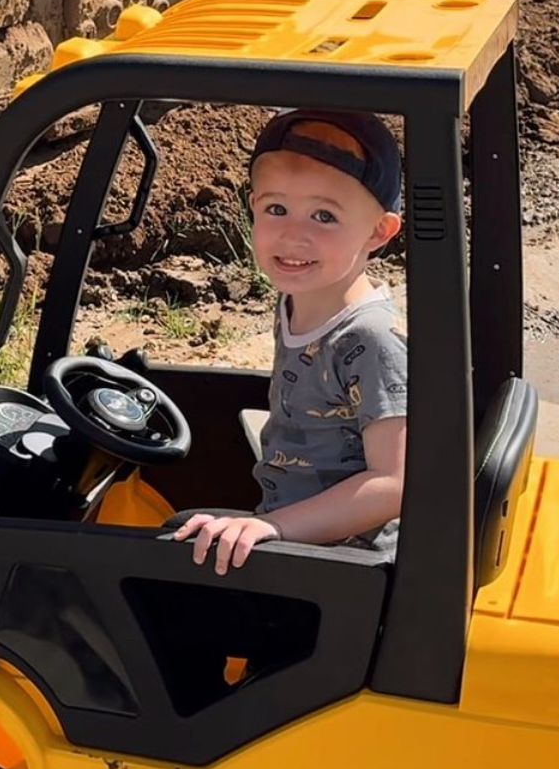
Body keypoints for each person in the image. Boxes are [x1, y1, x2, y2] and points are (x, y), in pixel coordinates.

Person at [173, 110, 407, 575]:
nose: (293, 235)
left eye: (324, 216)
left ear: (379, 231)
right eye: (276, 209)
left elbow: (395, 482)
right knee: (178, 533)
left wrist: (275, 527)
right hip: (297, 532)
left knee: (163, 559)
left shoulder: (369, 338)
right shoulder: (301, 299)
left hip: (343, 564)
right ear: (253, 205)